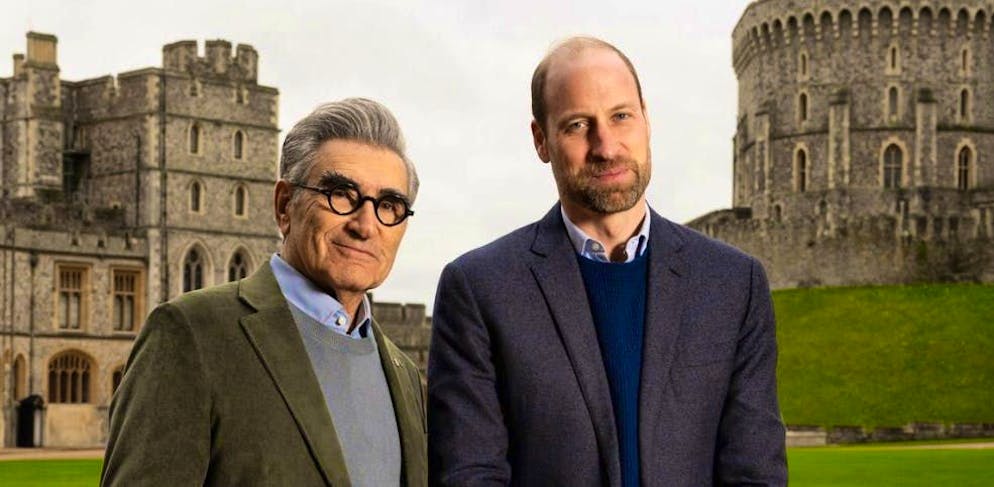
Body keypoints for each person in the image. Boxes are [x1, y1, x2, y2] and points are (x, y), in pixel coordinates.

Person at [428, 37, 787, 486]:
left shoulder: (734, 284)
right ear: (541, 140)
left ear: (646, 119)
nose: (606, 145)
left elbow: (755, 473)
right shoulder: (480, 289)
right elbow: (470, 474)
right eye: (578, 125)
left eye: (621, 116)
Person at [102, 98, 427, 486]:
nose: (365, 224)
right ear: (284, 205)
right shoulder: (191, 334)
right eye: (342, 194)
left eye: (389, 205)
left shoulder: (405, 376)